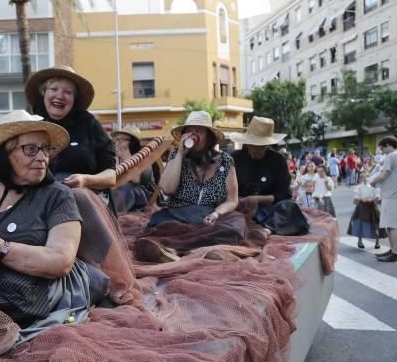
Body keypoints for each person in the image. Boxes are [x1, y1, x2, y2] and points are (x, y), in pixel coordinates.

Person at [0, 110, 108, 334]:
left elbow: (61, 261)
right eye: (31, 149)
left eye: (45, 149)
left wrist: (0, 248)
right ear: (5, 153)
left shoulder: (58, 196)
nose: (42, 157)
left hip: (30, 299)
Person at [135, 111, 244, 261]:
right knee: (160, 225)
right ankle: (195, 250)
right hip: (178, 215)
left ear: (209, 136)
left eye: (198, 131)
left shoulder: (225, 160)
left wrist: (216, 214)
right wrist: (180, 154)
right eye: (189, 130)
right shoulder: (176, 156)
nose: (193, 134)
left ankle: (182, 250)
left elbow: (232, 200)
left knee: (236, 223)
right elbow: (167, 189)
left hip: (209, 216)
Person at [24, 65, 116, 196]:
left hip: (85, 196)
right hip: (41, 197)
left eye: (68, 92)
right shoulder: (33, 125)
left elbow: (111, 176)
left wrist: (85, 180)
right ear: (44, 92)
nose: (60, 96)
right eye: (54, 89)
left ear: (74, 99)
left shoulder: (90, 125)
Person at [229, 117, 308, 235]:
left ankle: (267, 230)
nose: (255, 150)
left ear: (267, 145)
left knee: (290, 207)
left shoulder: (278, 160)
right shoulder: (234, 158)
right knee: (227, 215)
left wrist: (257, 199)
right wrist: (241, 201)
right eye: (252, 146)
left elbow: (284, 194)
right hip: (241, 207)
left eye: (260, 147)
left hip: (271, 209)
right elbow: (225, 189)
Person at [370, 136, 397, 262]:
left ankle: (395, 253)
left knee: (392, 225)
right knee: (389, 224)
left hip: (392, 194)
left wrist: (372, 182)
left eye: (382, 148)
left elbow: (385, 173)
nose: (382, 151)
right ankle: (393, 249)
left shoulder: (392, 156)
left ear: (388, 145)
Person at [111, 125, 156, 213]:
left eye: (124, 139)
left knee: (125, 187)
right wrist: (116, 158)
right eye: (117, 139)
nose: (119, 142)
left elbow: (136, 180)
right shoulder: (114, 157)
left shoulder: (143, 157)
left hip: (141, 194)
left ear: (133, 142)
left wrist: (126, 157)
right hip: (120, 194)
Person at [347, 170, 383, 249]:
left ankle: (377, 241)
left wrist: (372, 200)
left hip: (372, 206)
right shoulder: (359, 187)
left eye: (365, 176)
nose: (363, 178)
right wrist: (360, 199)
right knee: (360, 223)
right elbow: (356, 197)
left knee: (375, 224)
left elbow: (377, 196)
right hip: (362, 206)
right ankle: (360, 241)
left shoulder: (374, 186)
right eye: (361, 177)